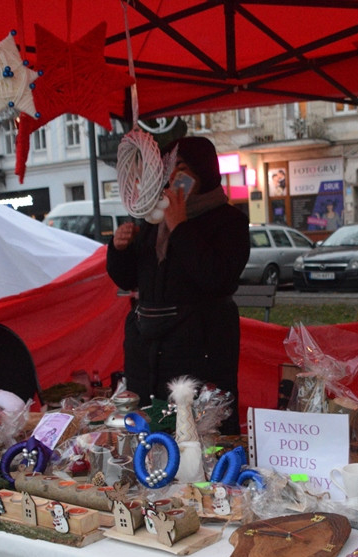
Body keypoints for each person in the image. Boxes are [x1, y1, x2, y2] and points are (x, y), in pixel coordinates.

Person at [106, 137, 250, 435]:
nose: (172, 178)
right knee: (150, 428)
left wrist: (181, 227)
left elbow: (217, 278)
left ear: (205, 171)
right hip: (147, 350)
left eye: (181, 168)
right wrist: (119, 249)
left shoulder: (229, 221)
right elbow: (130, 279)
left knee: (196, 433)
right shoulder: (153, 220)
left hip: (200, 346)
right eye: (167, 169)